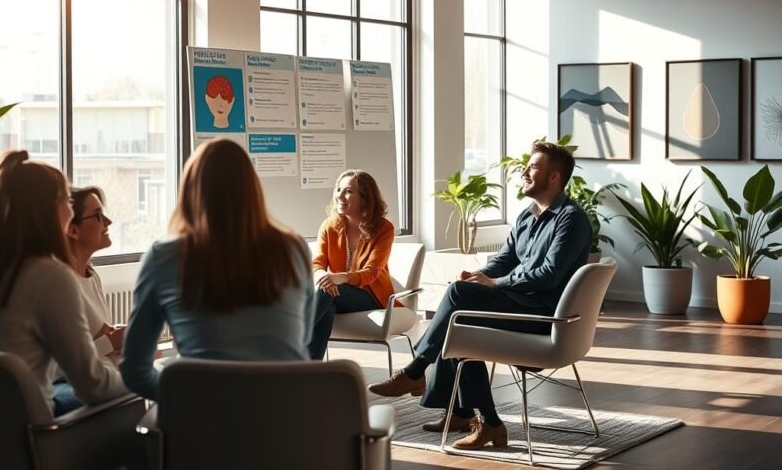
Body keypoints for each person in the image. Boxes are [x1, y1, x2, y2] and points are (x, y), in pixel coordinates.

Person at [368, 141, 592, 450]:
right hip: (520, 303)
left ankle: (418, 371)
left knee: (459, 305)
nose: (525, 172)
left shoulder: (571, 219)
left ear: (554, 177)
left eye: (533, 167)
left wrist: (495, 284)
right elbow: (505, 258)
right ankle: (466, 414)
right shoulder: (528, 217)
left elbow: (549, 275)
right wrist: (481, 276)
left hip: (544, 315)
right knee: (460, 313)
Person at [0, 151, 129, 416]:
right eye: (65, 201)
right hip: (28, 441)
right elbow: (93, 385)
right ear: (48, 209)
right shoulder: (49, 275)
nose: (70, 210)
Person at [120, 138, 315, 400]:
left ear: (190, 191)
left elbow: (135, 371)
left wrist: (185, 396)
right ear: (253, 188)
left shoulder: (163, 257)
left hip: (203, 432)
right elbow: (300, 340)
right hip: (292, 427)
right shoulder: (295, 249)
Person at [49, 185, 125, 414]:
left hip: (99, 373)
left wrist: (118, 342)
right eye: (98, 216)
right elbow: (54, 365)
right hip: (73, 382)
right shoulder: (56, 284)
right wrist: (110, 343)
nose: (108, 221)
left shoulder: (92, 275)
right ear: (73, 230)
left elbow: (99, 341)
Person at [308, 170, 396, 361]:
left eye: (348, 191)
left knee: (326, 293)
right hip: (338, 293)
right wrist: (324, 277)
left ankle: (292, 342)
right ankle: (310, 369)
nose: (339, 195)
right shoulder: (329, 225)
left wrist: (339, 278)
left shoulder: (383, 228)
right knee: (327, 299)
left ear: (365, 198)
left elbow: (371, 273)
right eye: (338, 189)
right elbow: (318, 262)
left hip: (370, 295)